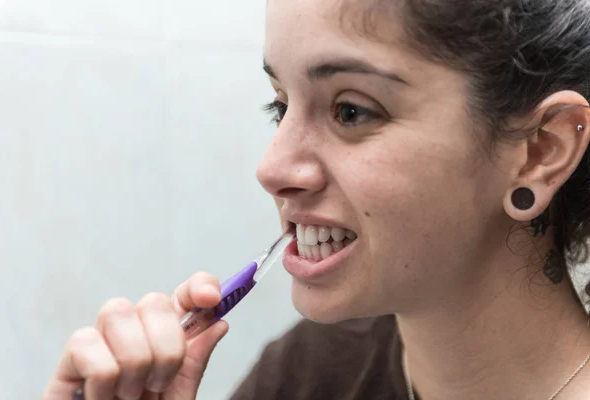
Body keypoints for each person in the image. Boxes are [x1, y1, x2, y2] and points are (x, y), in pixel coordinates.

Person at [42, 0, 590, 399]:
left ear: (541, 149)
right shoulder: (308, 371)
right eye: (280, 107)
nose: (272, 168)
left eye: (351, 110)